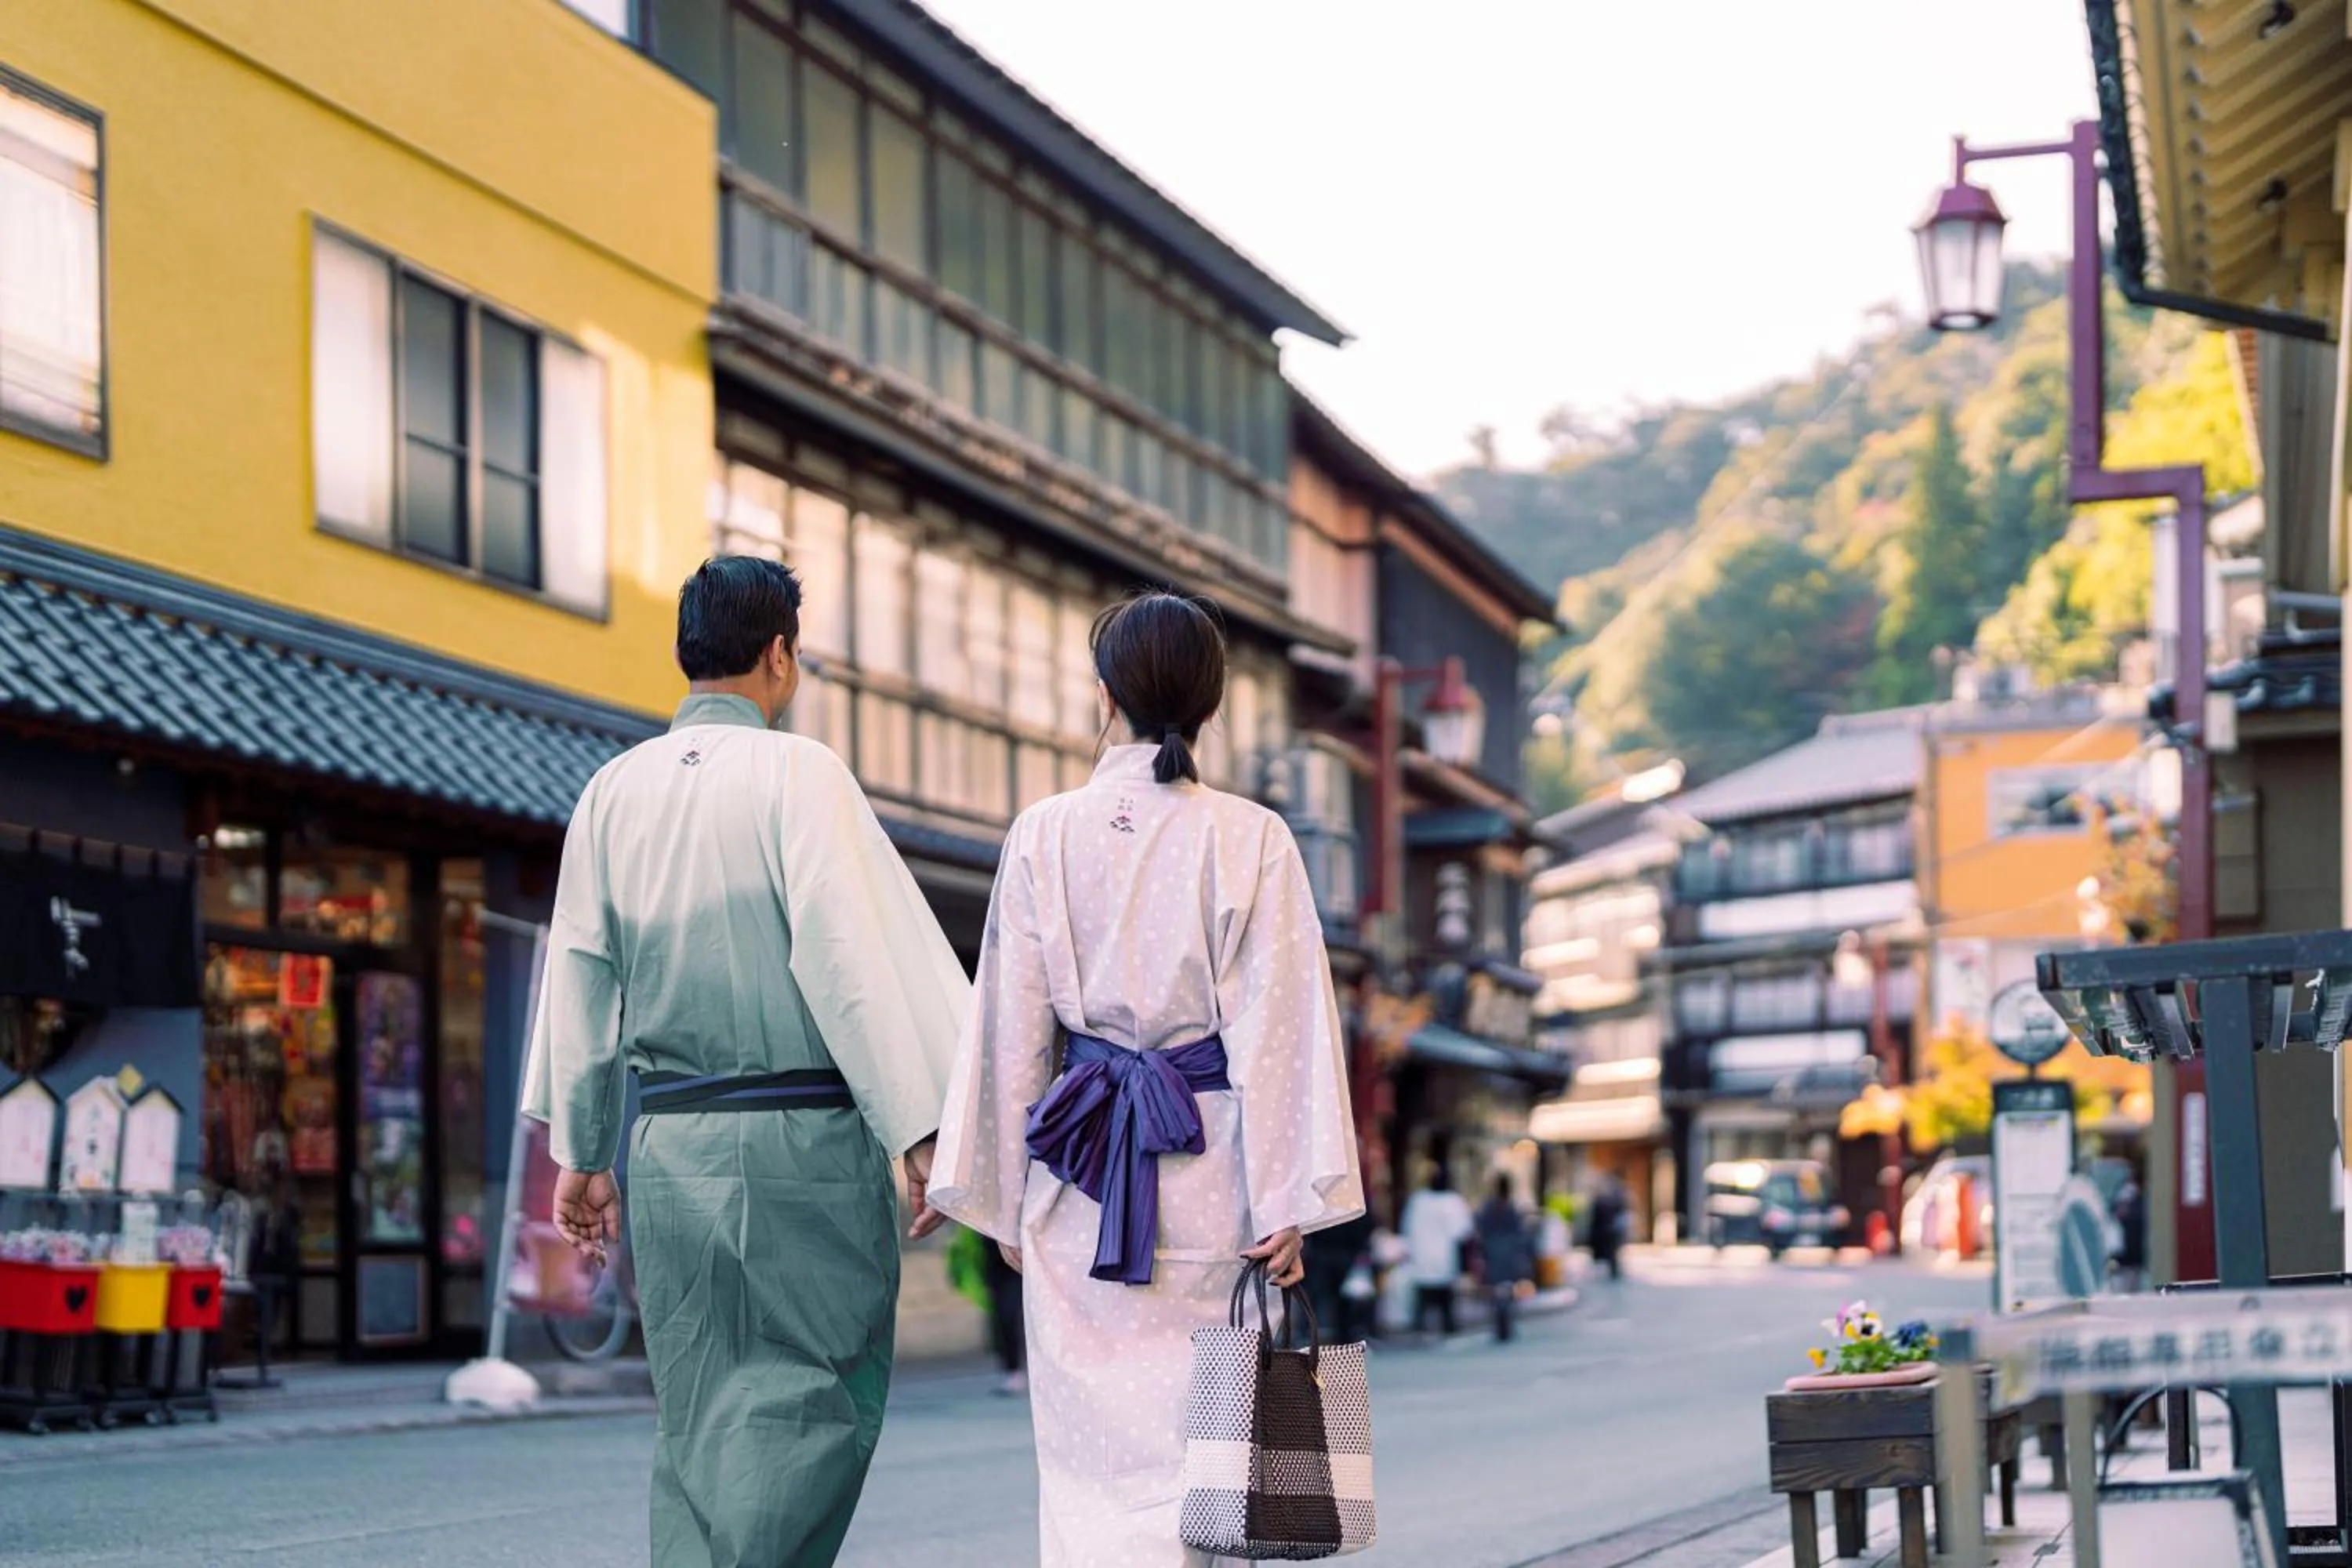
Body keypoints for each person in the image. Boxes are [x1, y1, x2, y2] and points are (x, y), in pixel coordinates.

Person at [524, 557, 971, 1568]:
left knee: (696, 1419)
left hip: (671, 1147)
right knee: (807, 1402)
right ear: (780, 654)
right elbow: (847, 959)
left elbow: (585, 980)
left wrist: (585, 1153)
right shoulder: (800, 773)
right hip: (801, 1141)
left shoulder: (610, 789)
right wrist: (918, 1125)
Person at [928, 592, 1364, 1568]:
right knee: (1205, 1464)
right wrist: (1288, 1196)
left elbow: (1010, 1023)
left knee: (1085, 1470)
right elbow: (1280, 1023)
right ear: (1209, 708)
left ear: (1103, 696)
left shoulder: (1043, 832)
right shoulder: (1251, 836)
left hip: (1077, 1178)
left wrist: (1003, 1200)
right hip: (1209, 1170)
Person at [1399, 1167, 1475, 1337]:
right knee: (1444, 1294)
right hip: (1443, 1255)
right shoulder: (1453, 1201)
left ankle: (1420, 1325)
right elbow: (1462, 1232)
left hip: (1423, 1254)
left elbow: (1407, 1227)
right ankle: (1446, 1324)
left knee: (1425, 1293)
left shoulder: (1418, 1201)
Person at [1473, 1177, 1532, 1342]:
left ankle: (1500, 1325)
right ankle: (1506, 1324)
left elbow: (1480, 1231)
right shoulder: (1512, 1208)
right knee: (1507, 1290)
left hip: (1494, 1253)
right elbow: (1521, 1233)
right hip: (1509, 1255)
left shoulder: (1489, 1208)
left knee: (1496, 1291)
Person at [1587, 1176, 1628, 1281]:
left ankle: (1613, 1270)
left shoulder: (1613, 1198)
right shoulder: (1604, 1199)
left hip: (1609, 1230)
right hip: (1605, 1230)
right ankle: (1610, 1270)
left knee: (1611, 1252)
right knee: (1607, 1252)